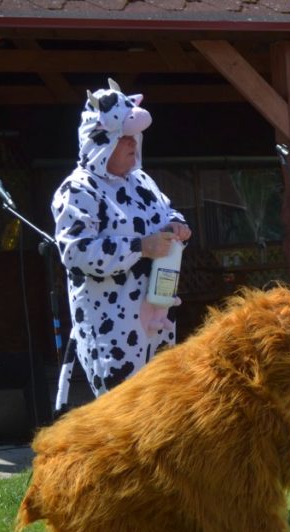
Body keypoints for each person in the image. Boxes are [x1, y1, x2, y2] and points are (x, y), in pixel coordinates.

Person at [51, 79, 191, 412]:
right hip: (111, 326)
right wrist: (141, 246)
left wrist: (177, 225)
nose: (133, 144)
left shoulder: (141, 181)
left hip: (157, 312)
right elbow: (76, 251)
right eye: (124, 138)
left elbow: (166, 209)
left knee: (163, 406)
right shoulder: (77, 190)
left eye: (134, 138)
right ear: (101, 142)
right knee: (125, 415)